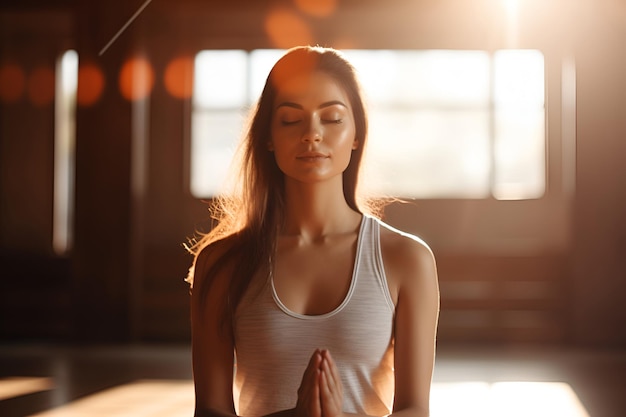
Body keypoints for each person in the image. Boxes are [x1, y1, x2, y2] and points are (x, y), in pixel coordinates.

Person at [186, 45, 439, 417]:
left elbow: (415, 410)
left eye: (332, 118)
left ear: (356, 134)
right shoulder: (221, 262)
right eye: (291, 120)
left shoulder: (405, 259)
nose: (312, 134)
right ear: (268, 137)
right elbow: (210, 411)